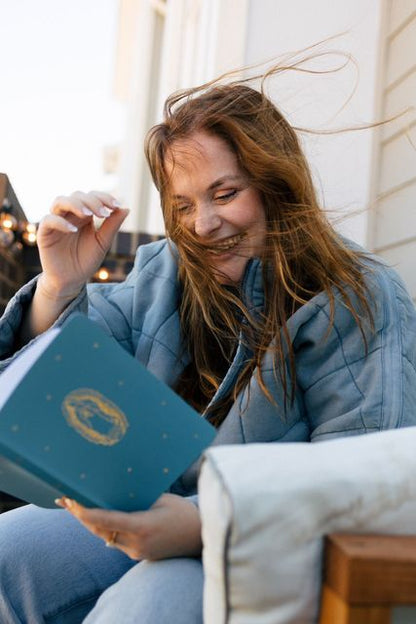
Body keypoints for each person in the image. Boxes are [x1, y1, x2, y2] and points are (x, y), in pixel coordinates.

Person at [0, 64, 416, 624]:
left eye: (225, 193)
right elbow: (69, 373)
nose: (203, 225)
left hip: (268, 542)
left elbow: (362, 483)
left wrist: (204, 524)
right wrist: (59, 285)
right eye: (183, 205)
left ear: (276, 184)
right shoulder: (162, 271)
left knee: (150, 604)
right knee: (11, 548)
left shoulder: (358, 296)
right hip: (146, 510)